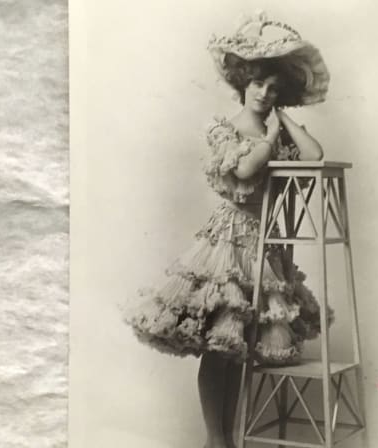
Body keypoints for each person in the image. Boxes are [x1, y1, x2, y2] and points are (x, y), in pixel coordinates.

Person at [123, 12, 332, 448]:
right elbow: (245, 169)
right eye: (257, 84)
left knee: (240, 350)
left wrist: (284, 120)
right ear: (243, 83)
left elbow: (315, 155)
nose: (264, 93)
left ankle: (229, 441)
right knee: (219, 347)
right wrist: (269, 137)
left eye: (273, 88)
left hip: (265, 248)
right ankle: (214, 439)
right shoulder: (226, 129)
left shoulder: (276, 127)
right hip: (230, 242)